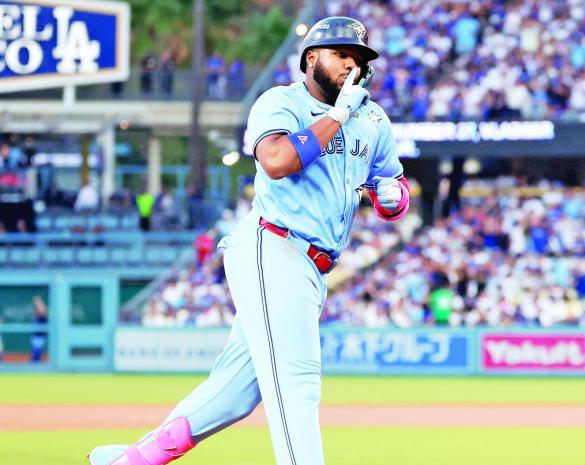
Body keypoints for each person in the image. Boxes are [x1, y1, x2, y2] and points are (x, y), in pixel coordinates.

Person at [87, 16, 408, 465]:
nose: (350, 66)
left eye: (358, 58)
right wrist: (337, 115)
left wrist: (393, 197)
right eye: (340, 55)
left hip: (314, 265)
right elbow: (276, 160)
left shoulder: (372, 118)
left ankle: (131, 461)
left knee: (232, 396)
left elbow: (393, 184)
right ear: (310, 59)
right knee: (297, 383)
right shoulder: (281, 102)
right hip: (274, 246)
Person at [30, 295, 48, 363]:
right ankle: (34, 364)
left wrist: (39, 303)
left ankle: (35, 364)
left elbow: (42, 312)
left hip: (40, 336)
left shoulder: (43, 311)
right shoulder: (35, 312)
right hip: (35, 335)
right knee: (35, 353)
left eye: (37, 302)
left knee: (37, 352)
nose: (35, 303)